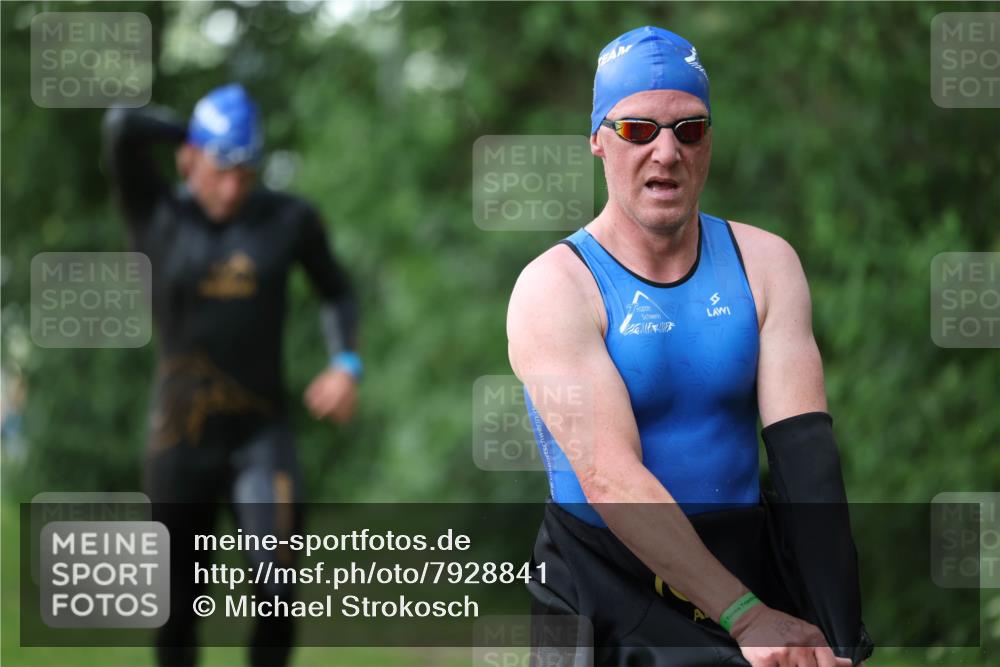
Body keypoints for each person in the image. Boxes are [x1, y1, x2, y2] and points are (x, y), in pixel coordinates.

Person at [507, 27, 873, 667]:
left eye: (689, 129)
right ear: (597, 140)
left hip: (739, 557)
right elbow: (610, 478)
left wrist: (841, 634)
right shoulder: (555, 288)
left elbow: (805, 459)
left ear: (710, 141)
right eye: (637, 130)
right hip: (603, 582)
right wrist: (744, 615)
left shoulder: (765, 265)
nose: (666, 152)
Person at [101, 83, 362, 667]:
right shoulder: (156, 214)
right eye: (220, 168)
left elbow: (337, 291)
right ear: (187, 159)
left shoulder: (286, 219)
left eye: (246, 172)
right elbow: (121, 125)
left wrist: (346, 362)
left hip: (260, 436)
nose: (232, 187)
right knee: (175, 606)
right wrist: (194, 131)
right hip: (179, 437)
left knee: (277, 591)